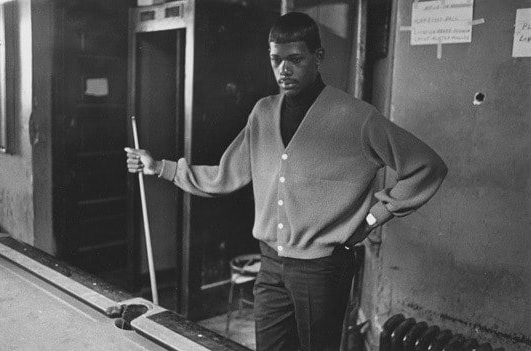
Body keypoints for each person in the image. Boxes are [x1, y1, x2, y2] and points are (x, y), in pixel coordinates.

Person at [126, 12, 448, 351]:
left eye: (295, 59)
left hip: (322, 270)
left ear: (318, 57)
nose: (284, 70)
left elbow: (427, 167)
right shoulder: (262, 113)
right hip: (271, 266)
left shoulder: (356, 117)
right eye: (276, 60)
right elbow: (224, 175)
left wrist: (372, 218)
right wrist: (160, 167)